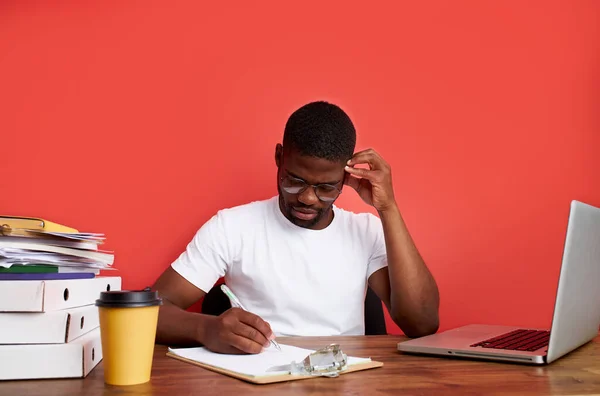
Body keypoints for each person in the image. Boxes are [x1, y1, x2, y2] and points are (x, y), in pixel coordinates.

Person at [152, 101, 439, 354]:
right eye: (294, 181)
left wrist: (388, 208)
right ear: (279, 158)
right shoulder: (232, 226)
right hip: (261, 379)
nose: (307, 198)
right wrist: (207, 329)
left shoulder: (366, 231)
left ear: (346, 177)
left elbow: (422, 324)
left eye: (326, 188)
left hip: (344, 382)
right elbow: (150, 311)